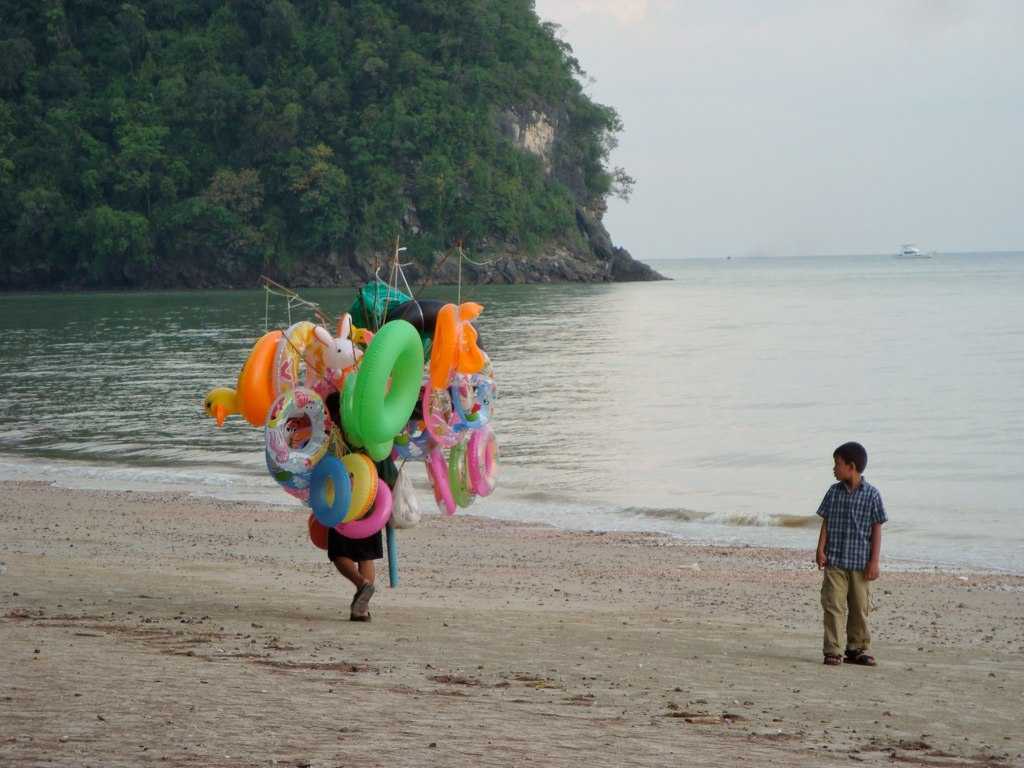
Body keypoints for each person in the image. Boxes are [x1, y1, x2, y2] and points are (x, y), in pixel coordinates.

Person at [322, 391, 396, 622]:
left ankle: (361, 584)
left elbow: (324, 470)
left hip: (344, 500)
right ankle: (360, 609)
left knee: (338, 552)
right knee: (366, 555)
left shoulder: (334, 438)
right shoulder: (372, 434)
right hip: (373, 498)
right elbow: (389, 469)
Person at [815, 441, 887, 667]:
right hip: (835, 560)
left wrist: (874, 561)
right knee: (833, 605)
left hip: (860, 563)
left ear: (851, 466)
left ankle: (857, 648)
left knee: (859, 607)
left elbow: (877, 528)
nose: (834, 468)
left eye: (837, 464)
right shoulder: (833, 492)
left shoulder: (872, 495)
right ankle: (833, 649)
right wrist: (820, 548)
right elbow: (826, 521)